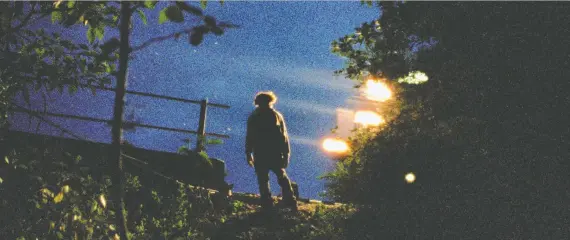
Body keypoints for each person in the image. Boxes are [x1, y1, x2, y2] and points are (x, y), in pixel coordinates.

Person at [245, 91, 297, 210]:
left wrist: (248, 153)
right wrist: (286, 153)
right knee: (277, 176)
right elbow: (283, 137)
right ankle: (285, 200)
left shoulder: (257, 116)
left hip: (265, 152)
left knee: (268, 177)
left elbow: (250, 136)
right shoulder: (273, 116)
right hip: (270, 152)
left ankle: (272, 201)